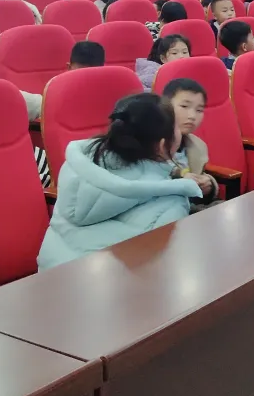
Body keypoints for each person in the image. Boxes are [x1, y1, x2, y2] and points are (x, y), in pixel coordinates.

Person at [37, 93, 203, 270]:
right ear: (162, 145)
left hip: (48, 276)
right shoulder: (171, 204)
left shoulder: (78, 167)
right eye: (176, 127)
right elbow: (157, 271)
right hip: (114, 285)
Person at [162, 78, 219, 204]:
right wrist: (180, 178)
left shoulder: (197, 145)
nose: (192, 116)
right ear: (165, 106)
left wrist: (208, 185)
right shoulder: (151, 145)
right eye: (184, 106)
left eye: (199, 110)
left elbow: (199, 175)